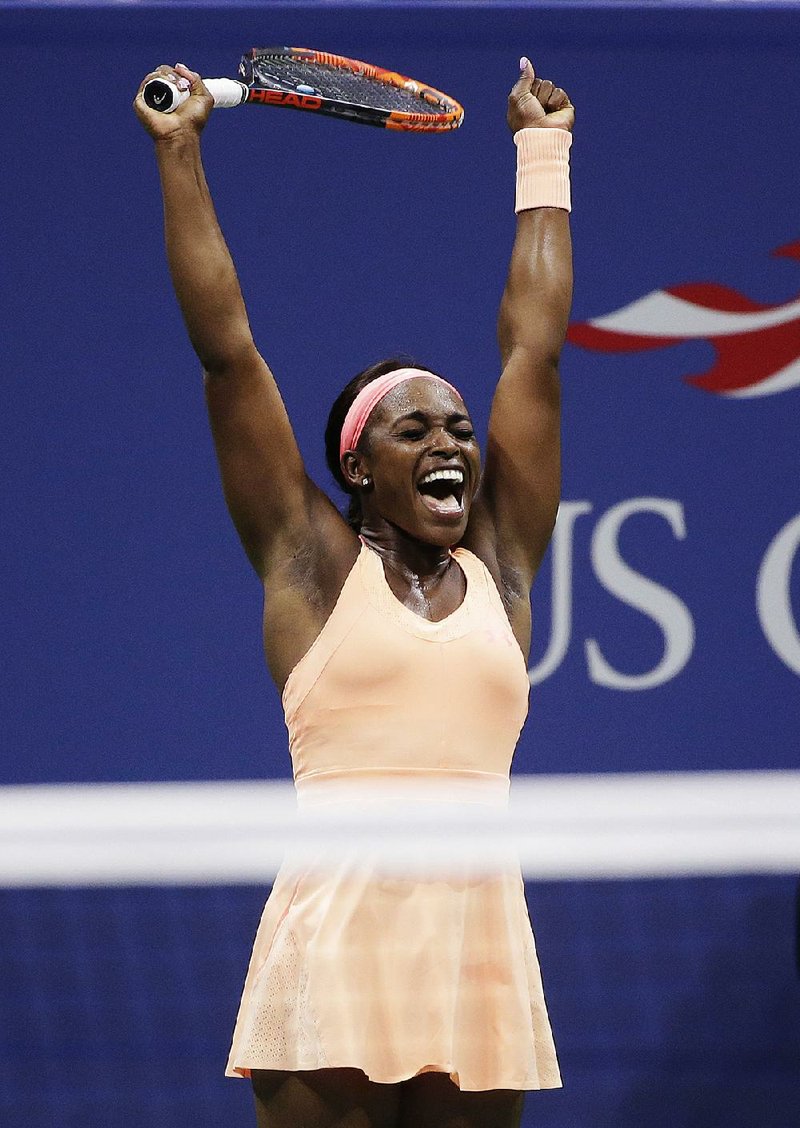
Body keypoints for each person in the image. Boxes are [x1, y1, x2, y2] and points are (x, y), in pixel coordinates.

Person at [135, 56, 574, 1128]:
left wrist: (542, 152)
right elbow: (228, 356)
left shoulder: (500, 563)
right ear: (356, 466)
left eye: (459, 430)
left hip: (477, 942)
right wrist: (180, 150)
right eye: (413, 429)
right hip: (336, 939)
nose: (451, 445)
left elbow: (534, 351)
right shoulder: (309, 563)